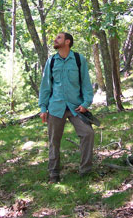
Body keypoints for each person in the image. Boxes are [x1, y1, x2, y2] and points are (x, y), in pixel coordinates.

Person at [39, 32, 94, 183]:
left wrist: (85, 104)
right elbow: (45, 86)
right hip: (56, 107)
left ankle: (85, 171)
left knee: (88, 134)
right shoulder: (51, 61)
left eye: (59, 38)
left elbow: (86, 84)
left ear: (67, 42)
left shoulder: (78, 60)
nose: (55, 40)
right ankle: (54, 174)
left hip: (76, 107)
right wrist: (43, 108)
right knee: (54, 142)